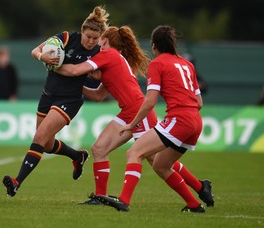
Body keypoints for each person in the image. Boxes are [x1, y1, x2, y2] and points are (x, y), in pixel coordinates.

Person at [55, 26, 214, 207]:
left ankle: (199, 187)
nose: (96, 43)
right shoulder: (112, 60)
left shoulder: (109, 55)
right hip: (127, 113)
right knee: (99, 149)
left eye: (99, 40)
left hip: (139, 111)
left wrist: (53, 66)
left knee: (156, 160)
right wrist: (77, 87)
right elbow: (98, 96)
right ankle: (99, 197)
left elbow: (75, 71)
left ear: (105, 40)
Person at [2, 6, 109, 197]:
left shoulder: (97, 52)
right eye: (88, 37)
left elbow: (99, 75)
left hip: (70, 100)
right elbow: (36, 50)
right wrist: (42, 56)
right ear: (82, 32)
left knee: (39, 138)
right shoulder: (67, 38)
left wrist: (94, 71)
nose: (91, 41)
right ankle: (78, 156)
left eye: (95, 38)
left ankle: (17, 182)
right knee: (47, 144)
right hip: (48, 95)